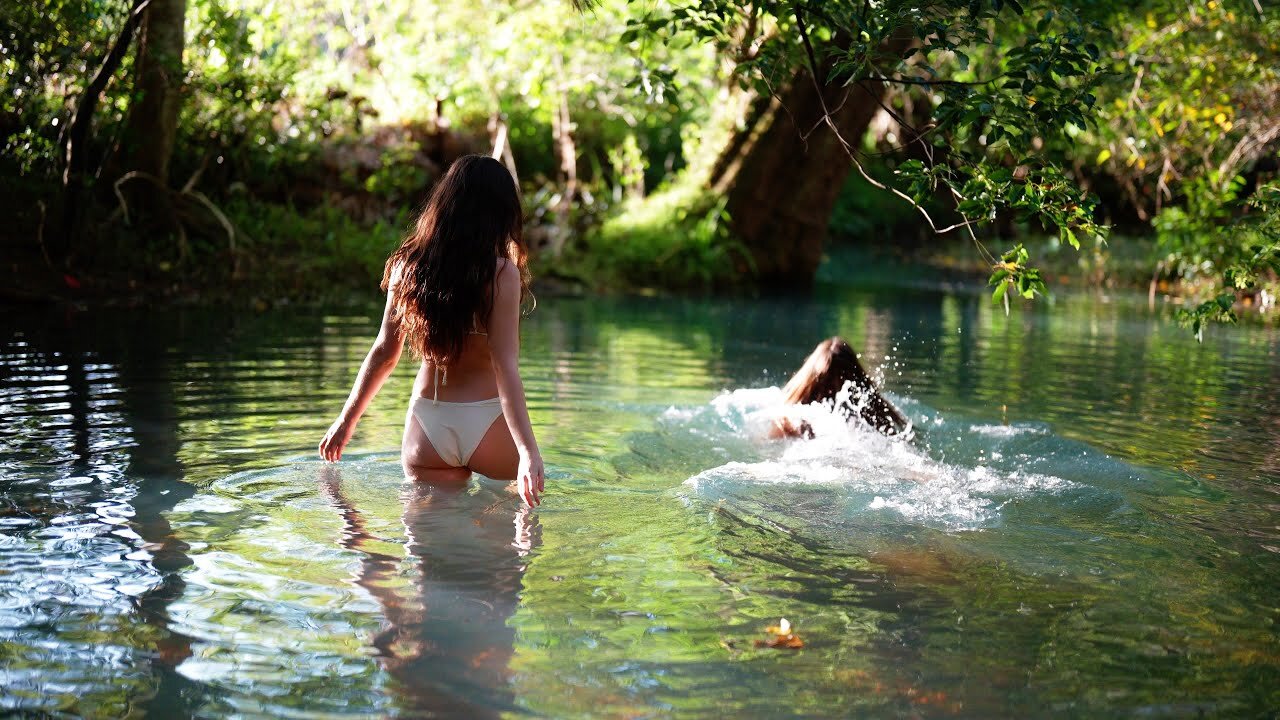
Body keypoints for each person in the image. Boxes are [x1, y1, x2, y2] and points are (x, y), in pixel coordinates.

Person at [318, 155, 544, 507]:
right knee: (506, 554)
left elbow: (384, 351)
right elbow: (505, 365)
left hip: (429, 424)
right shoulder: (501, 274)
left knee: (428, 553)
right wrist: (528, 452)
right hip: (488, 420)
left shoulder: (408, 266)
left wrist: (347, 421)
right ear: (502, 214)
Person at [770, 336, 910, 440]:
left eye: (838, 384)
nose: (831, 391)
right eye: (827, 384)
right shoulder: (873, 413)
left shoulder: (788, 413)